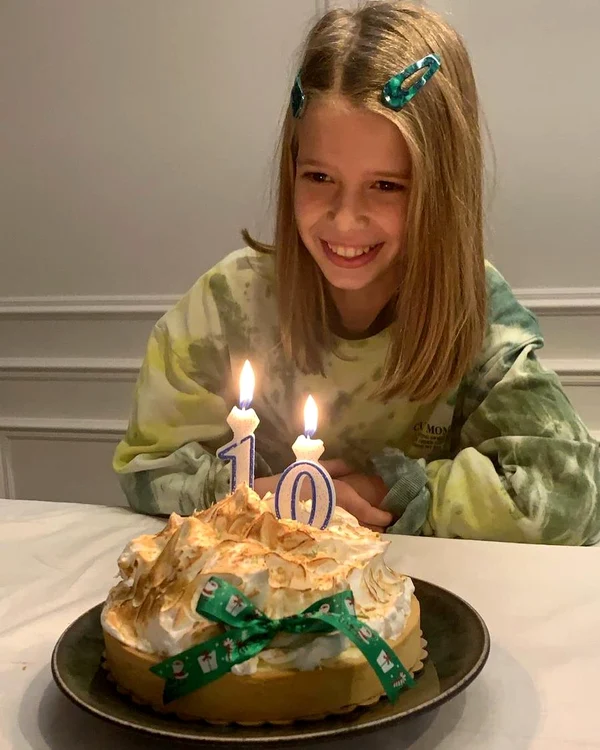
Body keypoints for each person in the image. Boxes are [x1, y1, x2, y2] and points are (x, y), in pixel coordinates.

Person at [113, 1, 599, 544]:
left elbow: (568, 494)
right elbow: (149, 469)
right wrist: (258, 497)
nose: (345, 220)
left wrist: (391, 490)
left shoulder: (473, 309)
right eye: (319, 177)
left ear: (440, 190)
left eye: (386, 185)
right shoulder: (227, 302)